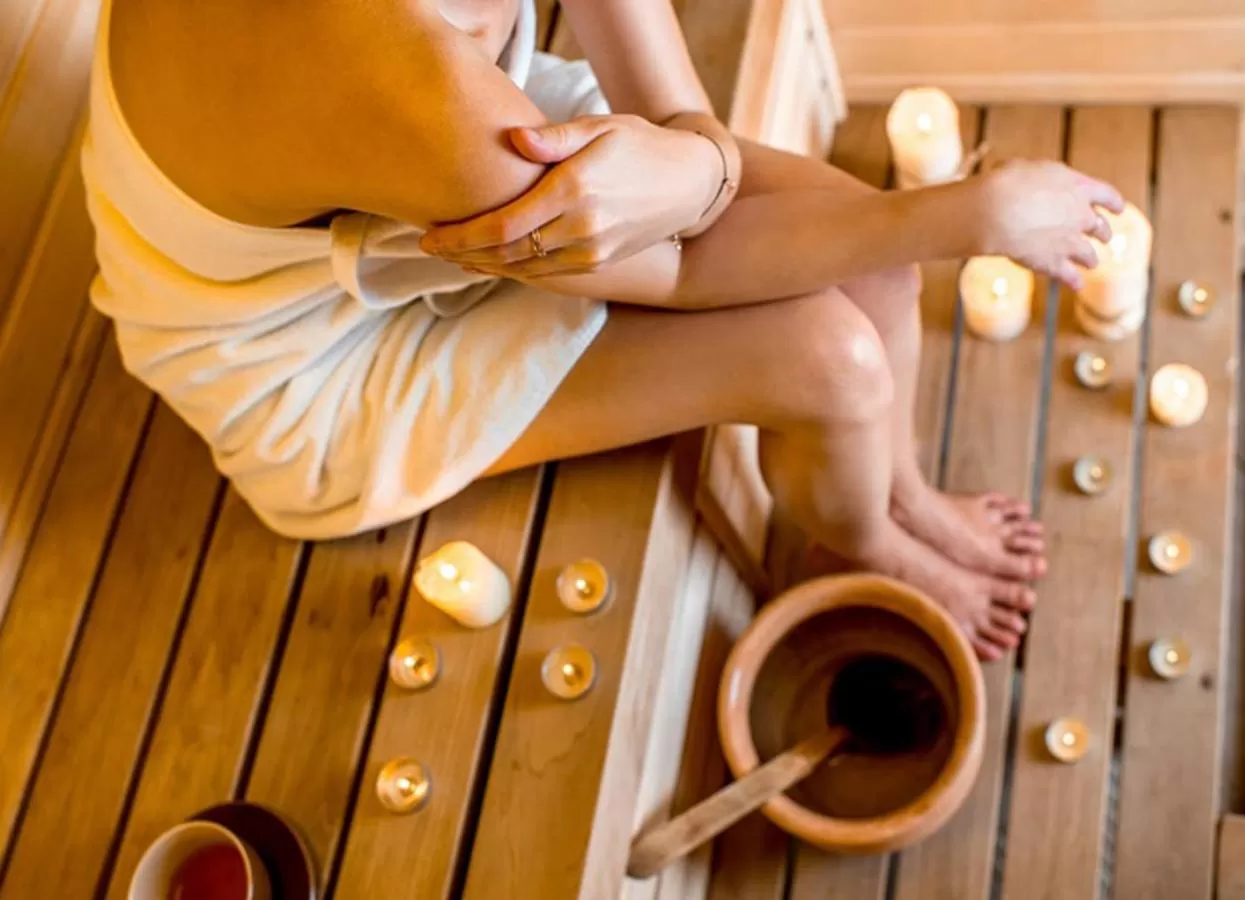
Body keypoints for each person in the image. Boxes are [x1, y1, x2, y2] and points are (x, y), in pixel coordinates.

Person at [85, 0, 1122, 661]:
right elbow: (689, 265)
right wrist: (972, 217)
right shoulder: (398, 82)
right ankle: (863, 541)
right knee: (832, 359)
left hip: (455, 184)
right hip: (321, 360)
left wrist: (700, 159)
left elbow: (681, 122)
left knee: (881, 270)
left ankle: (904, 495)